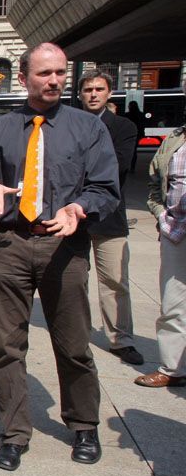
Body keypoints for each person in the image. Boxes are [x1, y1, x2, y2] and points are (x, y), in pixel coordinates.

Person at [0, 42, 120, 471]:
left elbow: (106, 187)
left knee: (72, 344)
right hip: (10, 243)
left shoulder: (87, 129)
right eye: (44, 73)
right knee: (8, 346)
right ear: (24, 77)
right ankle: (14, 434)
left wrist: (79, 207)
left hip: (64, 246)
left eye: (60, 73)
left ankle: (83, 425)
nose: (54, 81)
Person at [77, 70, 142, 364]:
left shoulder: (123, 126)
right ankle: (76, 333)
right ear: (80, 94)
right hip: (72, 216)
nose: (93, 94)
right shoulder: (69, 124)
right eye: (88, 89)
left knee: (115, 280)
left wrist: (78, 171)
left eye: (98, 89)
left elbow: (119, 166)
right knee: (74, 278)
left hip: (109, 214)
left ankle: (121, 339)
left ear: (109, 93)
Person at [135, 119, 186, 387]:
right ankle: (172, 369)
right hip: (176, 231)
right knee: (173, 302)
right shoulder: (174, 140)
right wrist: (160, 214)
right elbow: (155, 180)